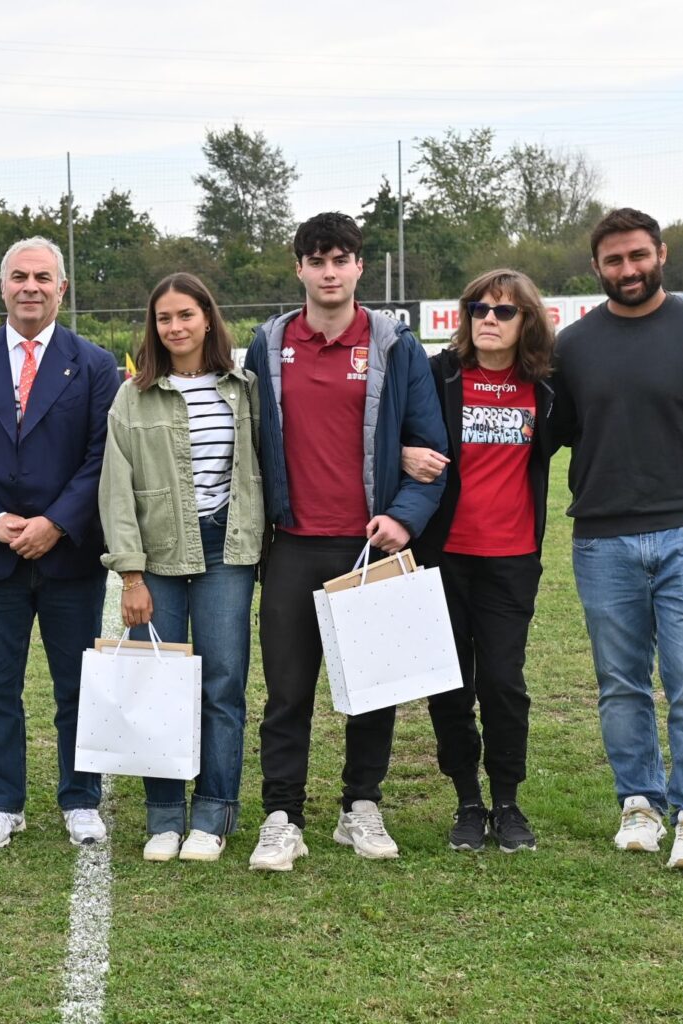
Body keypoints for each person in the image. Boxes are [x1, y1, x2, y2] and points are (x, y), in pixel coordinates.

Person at [242, 213, 447, 872]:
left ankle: (360, 805)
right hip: (292, 544)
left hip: (370, 546)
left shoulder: (392, 343)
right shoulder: (269, 343)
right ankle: (282, 814)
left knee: (374, 688)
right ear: (298, 268)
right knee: (288, 692)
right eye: (317, 260)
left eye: (341, 259)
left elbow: (431, 448)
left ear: (360, 266)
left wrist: (405, 519)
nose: (329, 272)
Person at [552, 208, 683, 872]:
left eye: (638, 255)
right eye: (614, 260)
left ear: (661, 254)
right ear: (596, 268)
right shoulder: (572, 347)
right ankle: (639, 802)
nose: (628, 269)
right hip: (602, 539)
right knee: (620, 683)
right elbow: (554, 430)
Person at [0, 236, 122, 849]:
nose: (30, 287)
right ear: (2, 286)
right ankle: (3, 800)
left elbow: (100, 456)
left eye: (43, 277)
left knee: (76, 683)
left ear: (62, 288)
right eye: (19, 276)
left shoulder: (93, 364)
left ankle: (80, 797)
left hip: (69, 556)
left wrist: (56, 522)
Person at [98, 273, 262, 863]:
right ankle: (165, 816)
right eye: (165, 318)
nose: (176, 327)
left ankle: (214, 814)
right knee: (157, 684)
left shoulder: (243, 388)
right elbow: (116, 490)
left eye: (186, 315)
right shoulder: (133, 395)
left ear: (208, 318)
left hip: (228, 552)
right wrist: (132, 575)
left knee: (223, 684)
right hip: (157, 558)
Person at [405, 269, 559, 854]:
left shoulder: (546, 387)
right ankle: (468, 801)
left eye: (504, 311)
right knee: (449, 684)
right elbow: (389, 430)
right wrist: (402, 451)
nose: (489, 319)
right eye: (478, 308)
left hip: (512, 560)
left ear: (529, 322)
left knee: (503, 683)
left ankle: (508, 801)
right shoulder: (439, 375)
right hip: (443, 556)